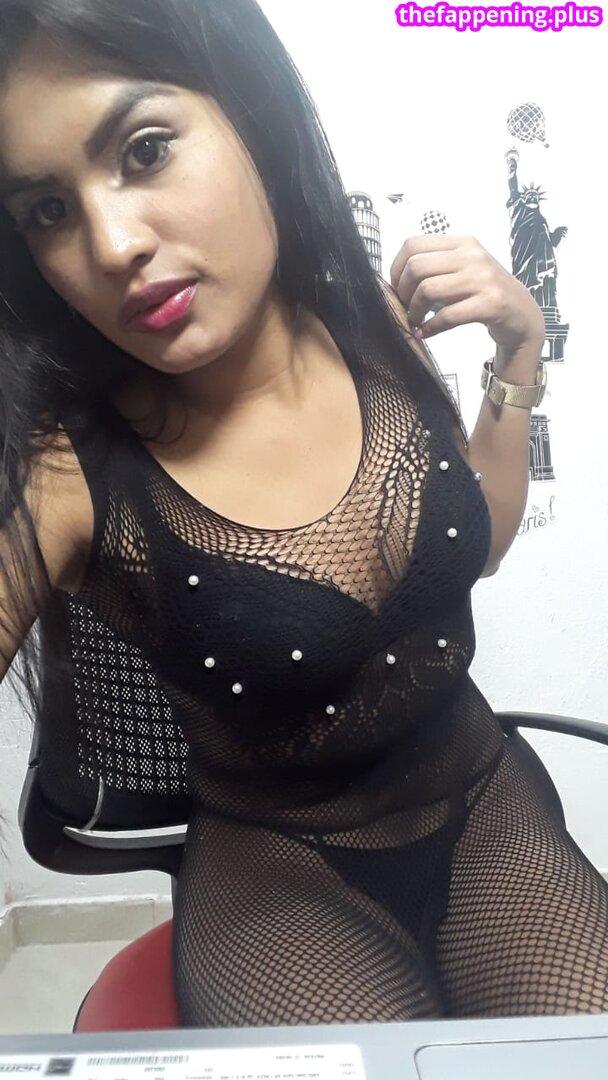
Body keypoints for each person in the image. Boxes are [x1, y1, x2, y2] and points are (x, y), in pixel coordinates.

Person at [0, 0, 606, 1028]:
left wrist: (518, 359)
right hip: (280, 877)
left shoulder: (368, 320)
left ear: (249, 113)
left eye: (145, 151)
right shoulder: (65, 472)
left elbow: (474, 551)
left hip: (484, 804)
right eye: (48, 210)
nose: (112, 244)